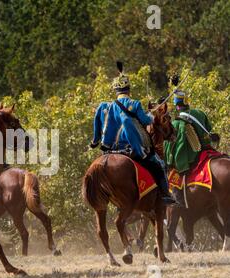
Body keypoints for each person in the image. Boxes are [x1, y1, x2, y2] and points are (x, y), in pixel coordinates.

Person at [90, 62, 176, 205]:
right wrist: (151, 116)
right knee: (159, 164)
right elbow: (145, 120)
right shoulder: (135, 104)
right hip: (132, 148)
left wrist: (95, 141)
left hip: (110, 148)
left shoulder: (107, 106)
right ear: (128, 89)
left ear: (116, 90)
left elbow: (98, 123)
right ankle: (165, 194)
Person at [165, 81, 219, 175]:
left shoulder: (176, 123)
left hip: (194, 156)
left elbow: (176, 146)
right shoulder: (200, 112)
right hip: (208, 149)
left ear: (177, 107)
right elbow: (209, 129)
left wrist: (169, 161)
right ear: (187, 103)